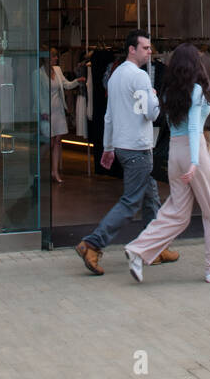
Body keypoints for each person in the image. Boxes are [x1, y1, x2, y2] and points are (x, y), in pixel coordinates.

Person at [124, 43, 210, 284]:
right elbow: (196, 126)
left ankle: (138, 249)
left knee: (177, 213)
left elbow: (159, 117)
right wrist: (196, 162)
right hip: (192, 150)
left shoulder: (168, 92)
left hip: (175, 153)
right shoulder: (196, 90)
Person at [75, 31, 178, 275]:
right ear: (132, 49)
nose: (150, 52)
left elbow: (108, 116)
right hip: (138, 147)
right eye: (145, 48)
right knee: (131, 202)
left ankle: (155, 247)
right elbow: (150, 114)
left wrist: (109, 147)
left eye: (150, 48)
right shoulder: (140, 78)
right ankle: (92, 243)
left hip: (123, 146)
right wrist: (154, 97)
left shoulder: (115, 76)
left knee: (151, 198)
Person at [42, 49, 78, 184]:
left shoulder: (57, 70)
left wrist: (77, 81)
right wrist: (42, 111)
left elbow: (66, 85)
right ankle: (39, 168)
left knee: (58, 141)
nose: (56, 58)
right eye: (54, 56)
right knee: (49, 142)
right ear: (46, 58)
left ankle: (55, 171)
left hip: (58, 111)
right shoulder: (38, 73)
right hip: (47, 112)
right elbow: (36, 95)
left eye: (57, 56)